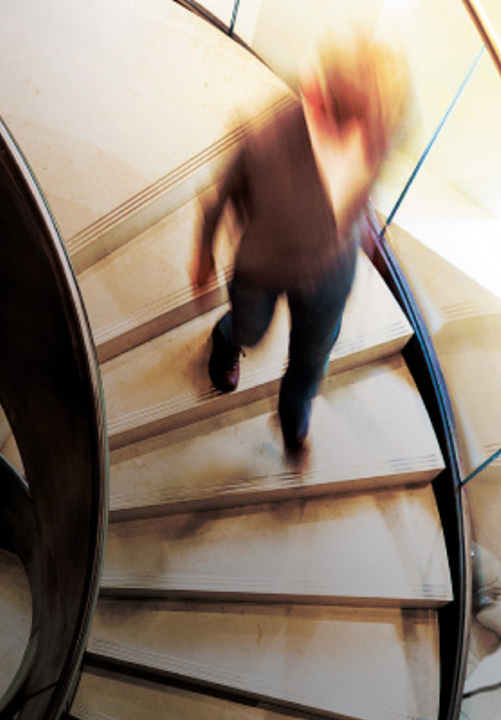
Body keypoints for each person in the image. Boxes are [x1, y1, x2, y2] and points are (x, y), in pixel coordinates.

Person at [194, 33, 410, 466]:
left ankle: (294, 422)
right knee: (251, 329)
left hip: (330, 271)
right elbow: (220, 196)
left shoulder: (379, 132)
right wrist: (203, 253)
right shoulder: (266, 142)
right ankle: (226, 337)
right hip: (264, 266)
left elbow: (362, 186)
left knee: (312, 358)